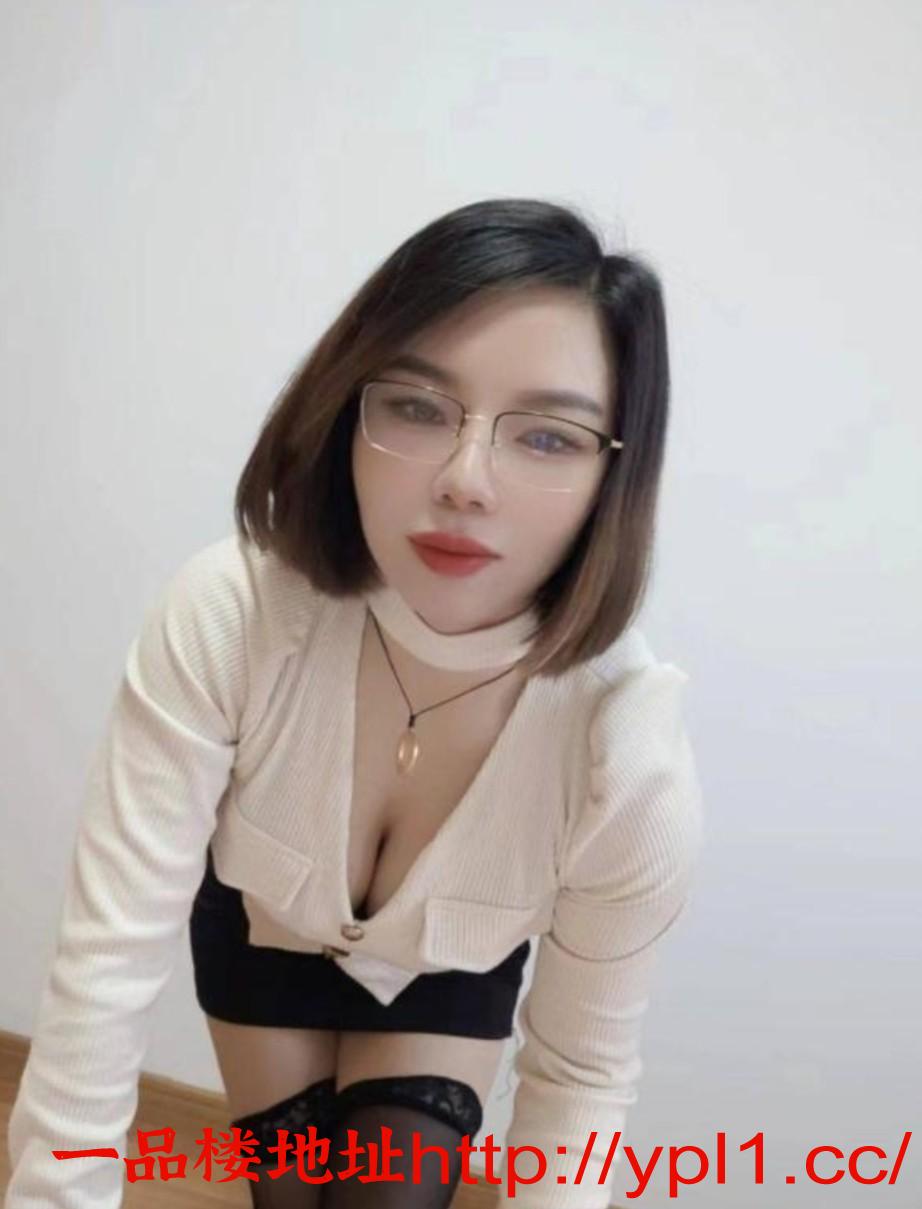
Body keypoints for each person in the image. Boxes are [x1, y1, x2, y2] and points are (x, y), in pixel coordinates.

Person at [5, 197, 704, 1209]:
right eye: (416, 408)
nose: (465, 482)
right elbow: (103, 967)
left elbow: (580, 1079)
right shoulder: (234, 612)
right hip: (261, 938)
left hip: (444, 977)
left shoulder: (625, 752)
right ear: (346, 413)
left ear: (613, 475)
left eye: (548, 437)